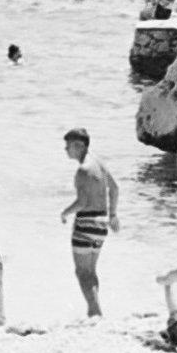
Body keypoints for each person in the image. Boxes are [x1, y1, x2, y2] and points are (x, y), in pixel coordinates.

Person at [60, 126, 120, 317]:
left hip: (86, 222)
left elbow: (83, 202)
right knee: (91, 271)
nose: (66, 149)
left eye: (68, 146)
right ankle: (94, 310)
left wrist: (65, 212)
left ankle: (95, 311)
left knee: (81, 272)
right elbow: (115, 188)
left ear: (79, 145)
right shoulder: (99, 164)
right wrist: (112, 215)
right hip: (101, 223)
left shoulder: (82, 170)